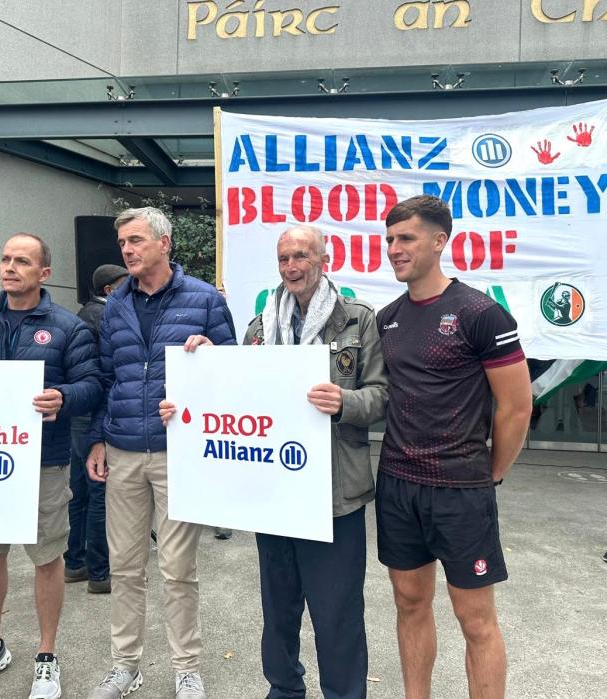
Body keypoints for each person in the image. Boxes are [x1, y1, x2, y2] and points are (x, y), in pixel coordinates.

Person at [163, 224, 388, 698]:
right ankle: (283, 690)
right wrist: (200, 378)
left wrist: (345, 402)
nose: (291, 267)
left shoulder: (358, 321)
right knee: (279, 609)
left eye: (301, 256)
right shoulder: (260, 328)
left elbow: (384, 396)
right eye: (284, 258)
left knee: (338, 613)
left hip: (334, 495)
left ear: (324, 260)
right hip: (273, 494)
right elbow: (237, 395)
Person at [376, 195, 532, 699]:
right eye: (390, 239)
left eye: (406, 238)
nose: (394, 248)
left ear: (440, 241)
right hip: (397, 484)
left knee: (475, 619)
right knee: (408, 603)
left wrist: (491, 473)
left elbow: (516, 408)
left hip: (460, 490)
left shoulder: (480, 313)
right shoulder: (387, 318)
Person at [85, 207, 236, 699]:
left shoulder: (204, 299)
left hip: (179, 453)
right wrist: (97, 438)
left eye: (136, 240)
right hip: (124, 450)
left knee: (177, 569)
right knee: (125, 567)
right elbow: (106, 377)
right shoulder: (115, 304)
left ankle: (186, 668)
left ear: (164, 242)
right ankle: (125, 665)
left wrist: (212, 354)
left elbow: (234, 373)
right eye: (123, 243)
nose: (127, 250)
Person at [0, 233, 102, 699]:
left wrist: (64, 397)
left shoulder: (68, 327)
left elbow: (93, 385)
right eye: (5, 259)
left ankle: (46, 655)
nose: (10, 267)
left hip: (43, 463)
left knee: (47, 559)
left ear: (44, 273)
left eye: (22, 261)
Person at [65, 263, 128, 593]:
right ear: (109, 289)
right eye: (123, 283)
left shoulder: (82, 314)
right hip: (94, 415)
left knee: (79, 491)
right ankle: (100, 572)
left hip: (78, 414)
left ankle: (75, 562)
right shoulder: (105, 316)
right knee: (100, 494)